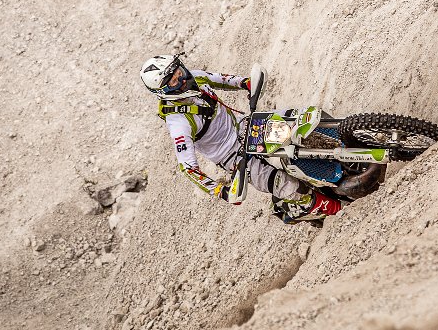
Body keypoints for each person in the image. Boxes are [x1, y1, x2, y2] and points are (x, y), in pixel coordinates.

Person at [140, 55, 346, 224]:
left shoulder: (196, 78)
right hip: (232, 156)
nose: (182, 78)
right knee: (286, 185)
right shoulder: (178, 123)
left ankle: (348, 135)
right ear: (164, 92)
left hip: (246, 125)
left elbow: (223, 80)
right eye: (174, 80)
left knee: (299, 118)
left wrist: (246, 84)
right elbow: (188, 168)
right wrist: (221, 191)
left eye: (179, 71)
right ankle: (339, 211)